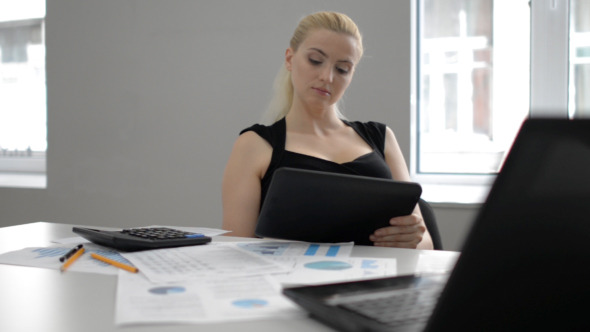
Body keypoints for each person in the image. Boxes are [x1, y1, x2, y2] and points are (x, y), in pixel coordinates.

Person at [222, 11, 433, 249]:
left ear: (351, 76)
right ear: (290, 59)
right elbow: (236, 251)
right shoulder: (254, 145)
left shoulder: (381, 138)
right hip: (288, 282)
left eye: (342, 69)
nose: (327, 77)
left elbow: (426, 243)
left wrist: (412, 238)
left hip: (376, 281)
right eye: (315, 60)